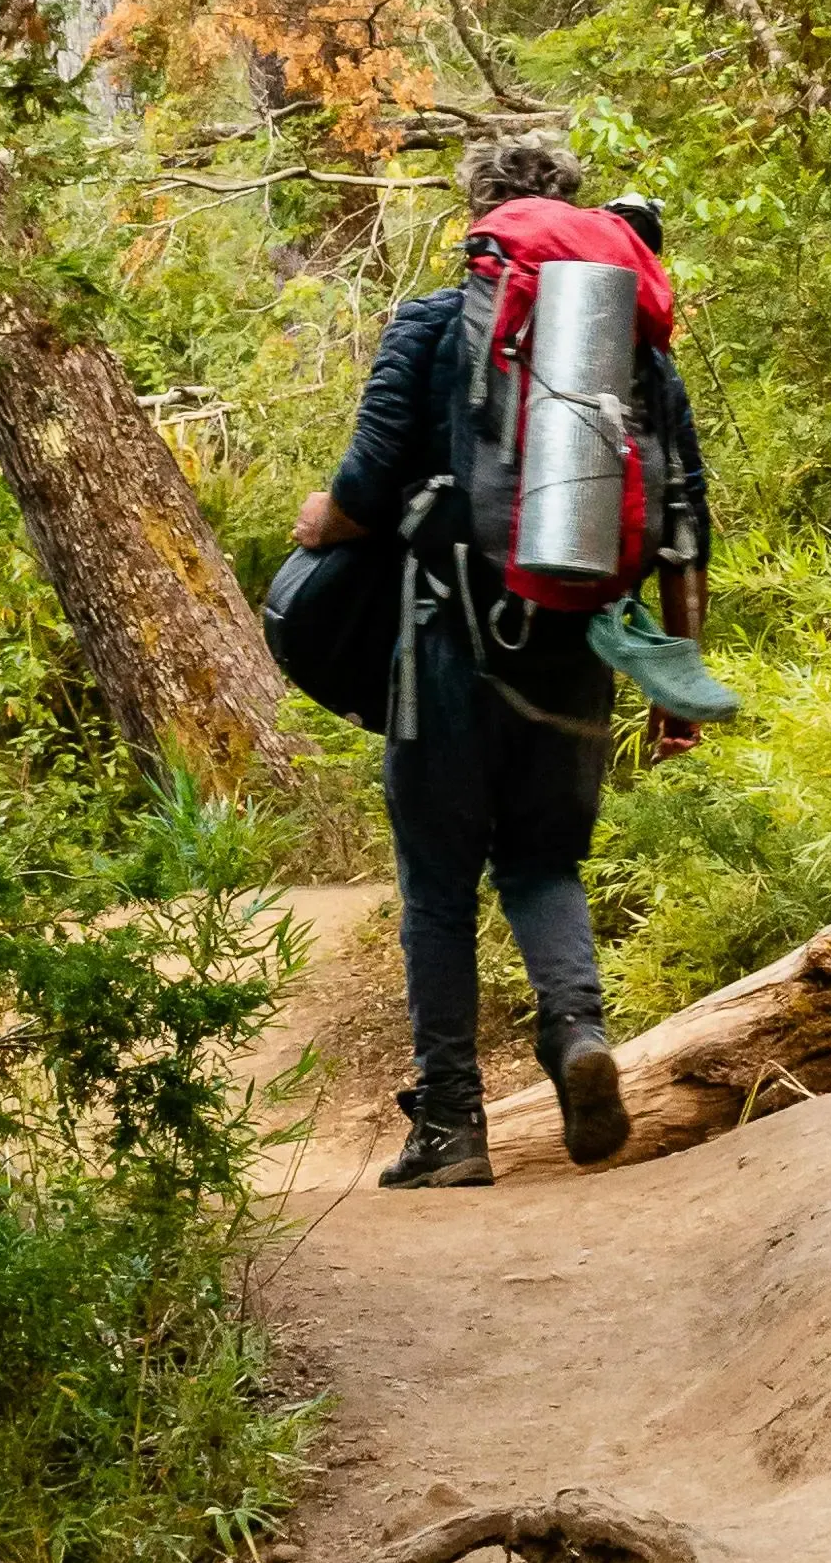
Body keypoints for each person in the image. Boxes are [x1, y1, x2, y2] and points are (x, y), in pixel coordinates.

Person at [290, 130, 712, 1191]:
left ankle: (449, 1128)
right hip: (578, 638)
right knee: (542, 860)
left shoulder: (434, 322)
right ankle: (575, 1032)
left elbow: (366, 486)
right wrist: (678, 674)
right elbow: (683, 519)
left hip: (446, 637)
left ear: (474, 214)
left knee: (436, 885)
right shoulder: (633, 344)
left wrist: (317, 525)